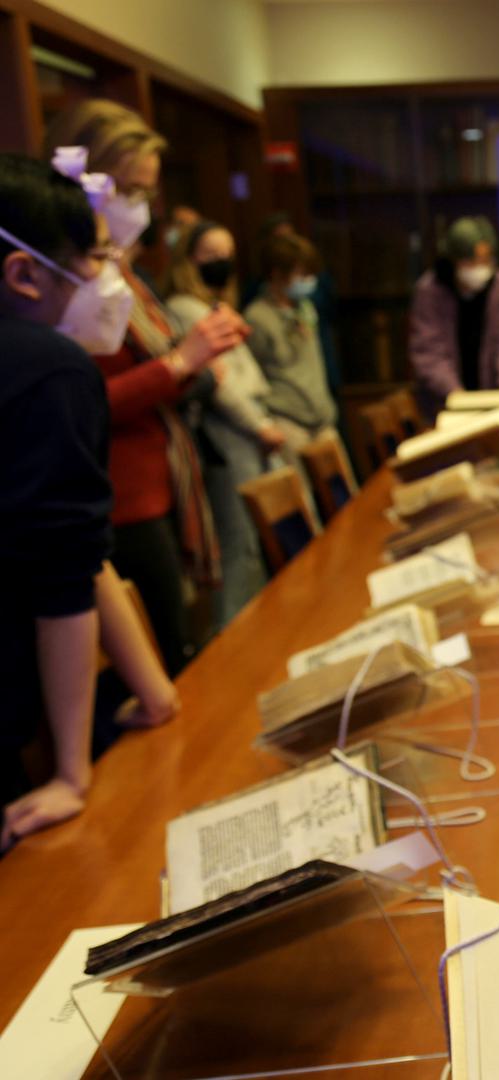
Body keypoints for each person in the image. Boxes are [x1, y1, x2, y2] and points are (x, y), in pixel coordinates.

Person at [43, 100, 246, 676]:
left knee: (180, 650)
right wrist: (182, 361)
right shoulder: (65, 280)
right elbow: (81, 405)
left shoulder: (121, 270)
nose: (138, 209)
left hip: (160, 485)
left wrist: (195, 362)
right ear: (82, 177)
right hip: (119, 500)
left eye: (145, 195)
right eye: (126, 190)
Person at [0, 153, 163, 848]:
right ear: (24, 273)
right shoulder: (48, 367)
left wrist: (153, 691)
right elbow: (65, 570)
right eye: (91, 261)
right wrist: (72, 773)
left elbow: (76, 549)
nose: (106, 281)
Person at [167, 221, 282, 625]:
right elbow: (219, 381)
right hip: (227, 438)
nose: (221, 264)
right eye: (209, 256)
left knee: (252, 545)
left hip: (246, 433)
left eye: (227, 256)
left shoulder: (215, 306)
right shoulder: (185, 308)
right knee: (237, 547)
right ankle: (233, 638)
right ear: (188, 259)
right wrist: (260, 425)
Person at [408, 215, 499, 413]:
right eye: (471, 261)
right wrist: (457, 395)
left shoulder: (498, 285)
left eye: (485, 260)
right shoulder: (430, 291)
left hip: (493, 401)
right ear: (453, 261)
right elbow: (428, 352)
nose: (479, 267)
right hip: (444, 405)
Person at [244, 231, 342, 465]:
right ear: (277, 274)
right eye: (302, 274)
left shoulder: (305, 308)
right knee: (302, 498)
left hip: (322, 419)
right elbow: (254, 376)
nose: (308, 280)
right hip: (289, 421)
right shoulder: (256, 317)